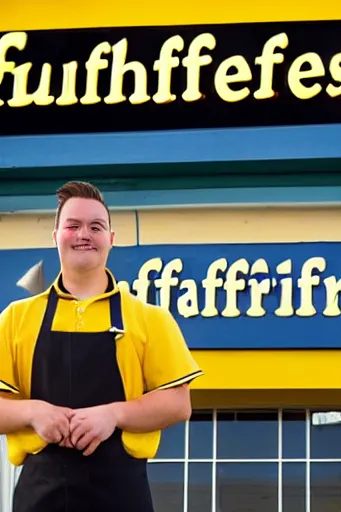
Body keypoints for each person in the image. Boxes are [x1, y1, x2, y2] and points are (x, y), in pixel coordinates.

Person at [0, 181, 203, 512]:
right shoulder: (15, 318)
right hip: (40, 496)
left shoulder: (150, 318)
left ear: (110, 239)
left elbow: (178, 404)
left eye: (96, 226)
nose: (84, 234)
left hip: (121, 495)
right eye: (73, 225)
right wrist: (32, 411)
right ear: (56, 236)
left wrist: (113, 414)